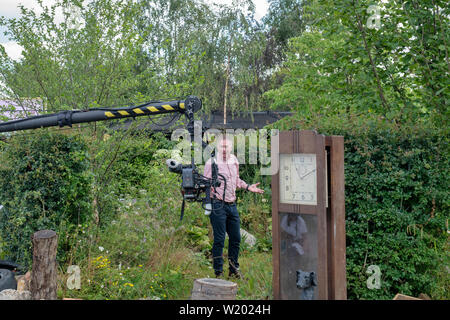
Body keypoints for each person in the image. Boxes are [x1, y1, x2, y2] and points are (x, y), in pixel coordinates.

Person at [203, 135, 264, 278]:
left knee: (236, 238)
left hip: (232, 205)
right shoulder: (211, 163)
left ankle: (233, 270)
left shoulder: (234, 160)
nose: (224, 149)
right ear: (217, 147)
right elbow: (205, 183)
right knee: (219, 239)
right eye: (221, 146)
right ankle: (218, 272)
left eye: (227, 146)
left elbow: (236, 180)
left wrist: (248, 187)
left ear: (231, 147)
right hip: (217, 204)